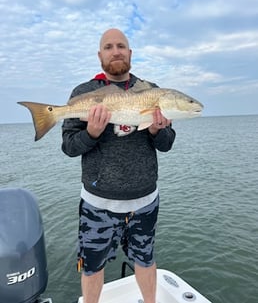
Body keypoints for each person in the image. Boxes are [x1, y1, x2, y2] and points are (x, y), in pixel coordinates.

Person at [61, 28, 176, 303]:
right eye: (109, 47)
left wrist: (156, 130)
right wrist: (91, 134)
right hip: (97, 203)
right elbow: (68, 146)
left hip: (145, 201)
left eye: (121, 46)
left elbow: (167, 143)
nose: (116, 51)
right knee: (91, 266)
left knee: (146, 260)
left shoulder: (151, 91)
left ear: (130, 53)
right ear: (100, 54)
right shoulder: (84, 92)